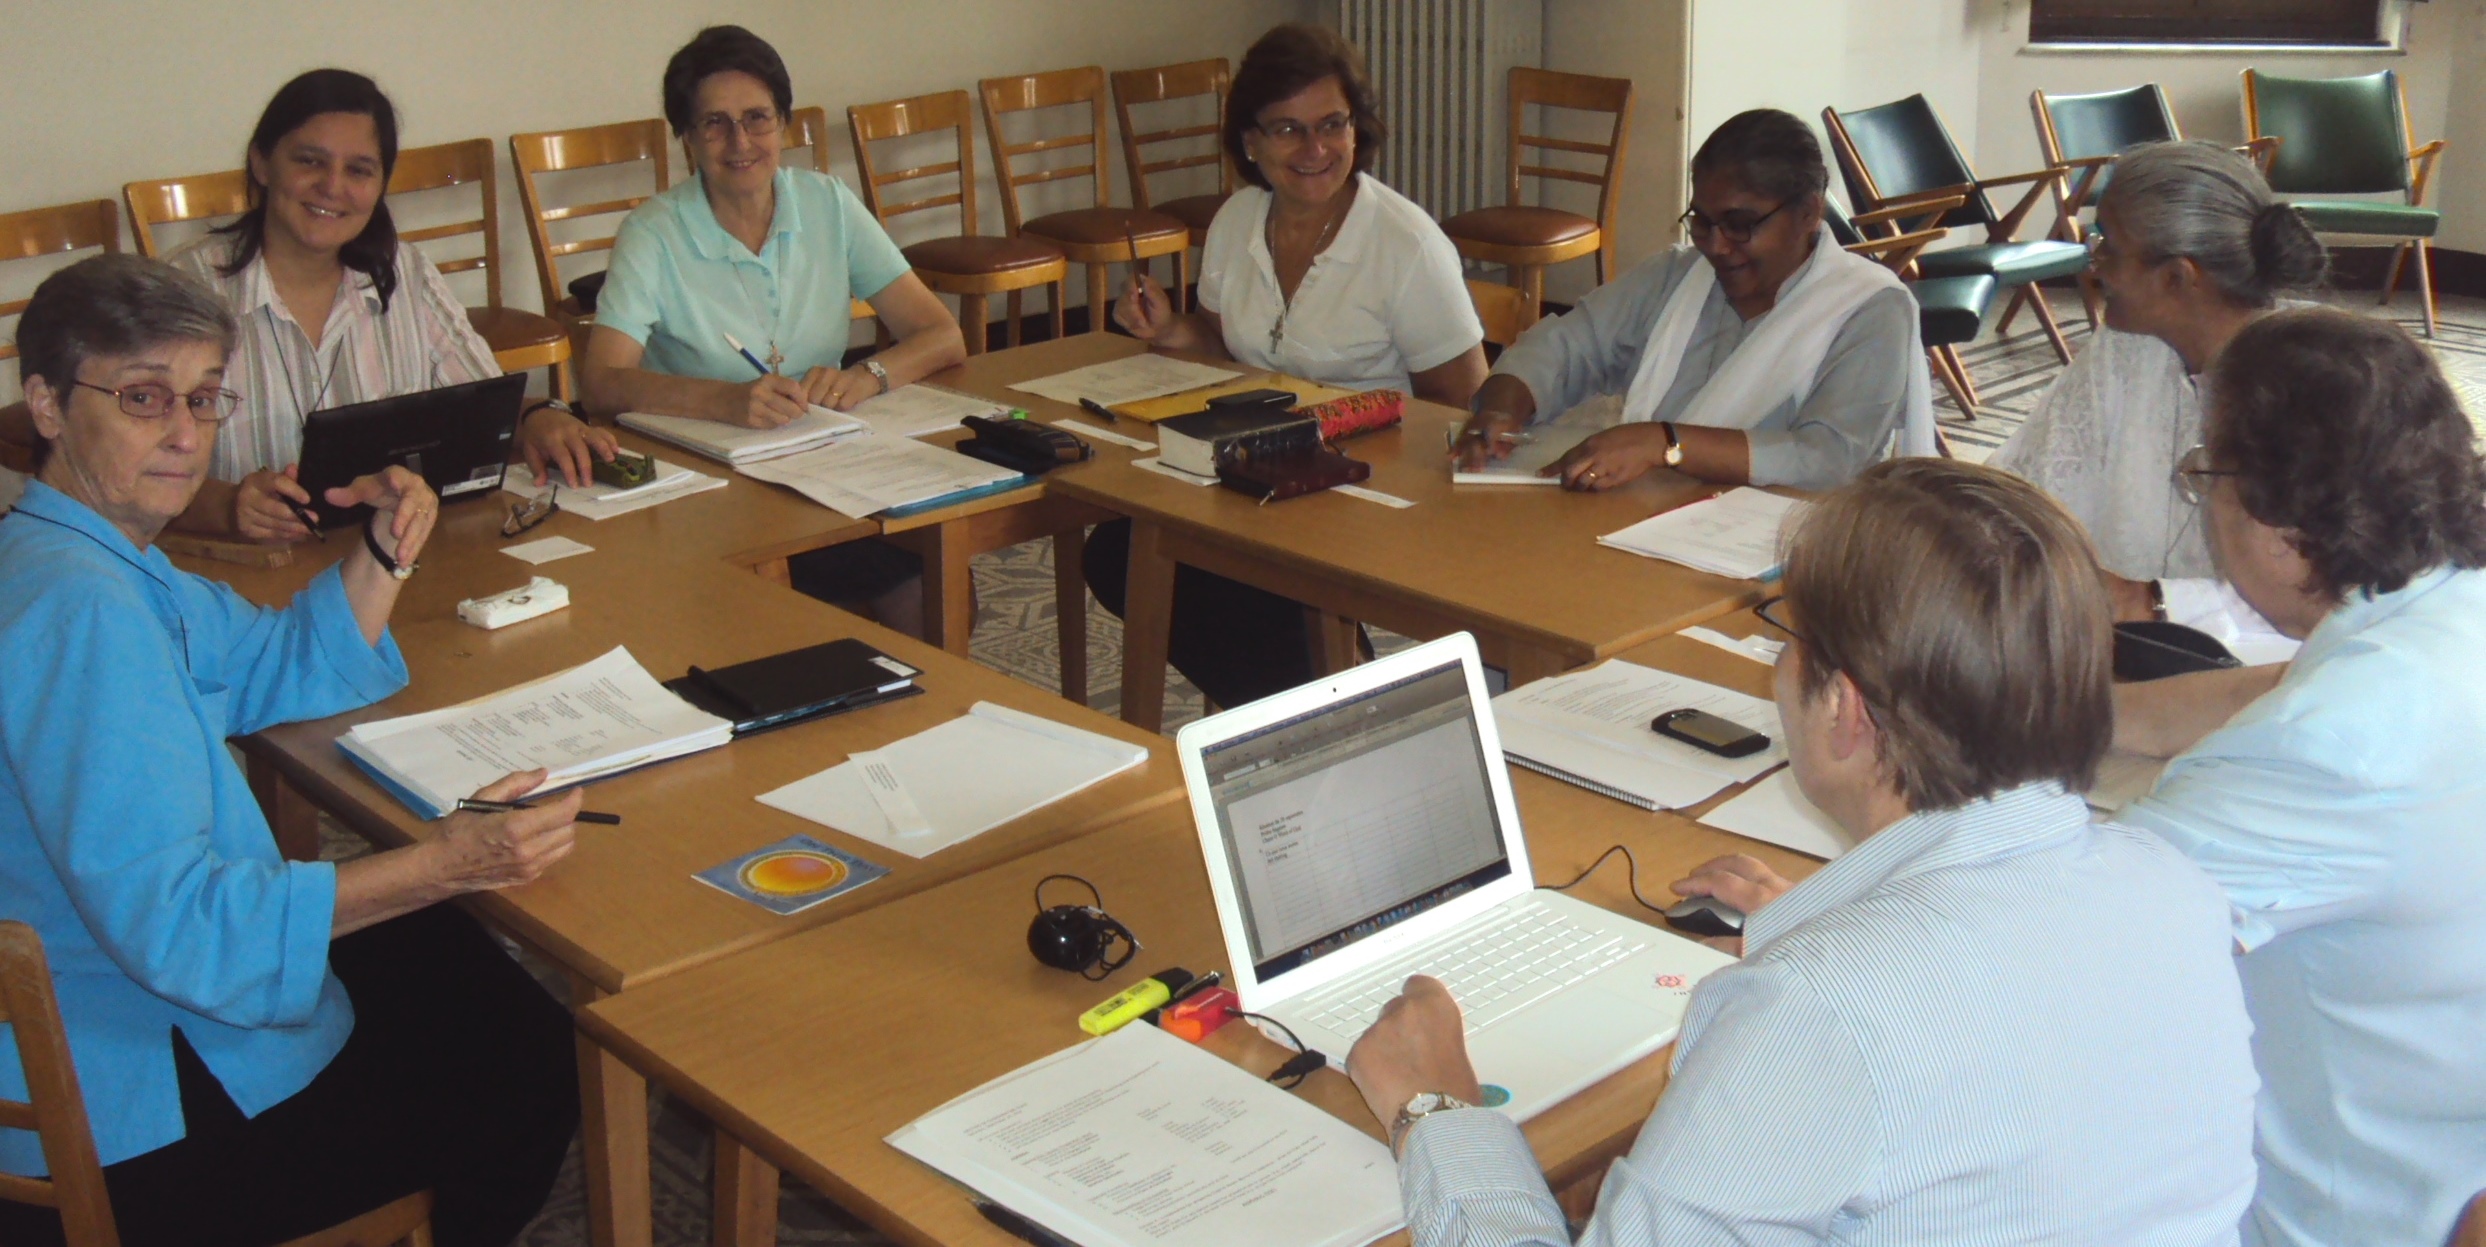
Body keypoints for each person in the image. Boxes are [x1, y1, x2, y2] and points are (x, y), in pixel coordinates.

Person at [1347, 458, 2260, 1244]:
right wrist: (1833, 925)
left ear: (1845, 709)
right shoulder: (2172, 883)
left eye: (1789, 639)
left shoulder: (1818, 1010)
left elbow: (1864, 1024)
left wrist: (1437, 1109)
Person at [0, 255, 580, 1247]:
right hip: (136, 1118)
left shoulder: (83, 551)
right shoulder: (85, 612)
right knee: (526, 1064)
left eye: (204, 398)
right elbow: (183, 930)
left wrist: (384, 549)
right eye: (144, 398)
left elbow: (268, 660)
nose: (186, 435)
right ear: (48, 404)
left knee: (449, 957)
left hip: (106, 1017)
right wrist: (443, 861)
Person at [2113, 308, 2486, 1247]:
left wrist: (1837, 888)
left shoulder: (2330, 750)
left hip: (2329, 1214)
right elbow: (2292, 685)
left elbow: (2068, 937)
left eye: (2208, 476)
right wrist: (2090, 716)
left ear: (2277, 527)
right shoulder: (2439, 617)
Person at [1087, 21, 1487, 710]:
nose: (1315, 150)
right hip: (1258, 473)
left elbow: (1468, 411)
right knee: (1122, 548)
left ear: (1359, 128)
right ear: (1249, 141)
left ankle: (1333, 703)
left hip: (1365, 488)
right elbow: (1222, 345)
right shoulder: (1239, 221)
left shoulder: (1405, 244)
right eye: (1288, 130)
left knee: (1242, 573)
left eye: (1332, 124)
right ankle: (1316, 700)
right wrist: (1170, 328)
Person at [580, 25, 965, 635]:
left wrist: (870, 375)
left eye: (757, 118)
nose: (740, 142)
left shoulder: (827, 203)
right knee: (852, 595)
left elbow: (941, 334)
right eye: (714, 123)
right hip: (708, 484)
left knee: (940, 583)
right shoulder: (653, 232)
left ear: (784, 124)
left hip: (826, 468)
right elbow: (600, 382)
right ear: (686, 138)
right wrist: (726, 400)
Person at [163, 68, 614, 544]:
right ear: (261, 163)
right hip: (242, 575)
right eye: (310, 161)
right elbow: (127, 471)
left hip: (389, 558)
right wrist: (228, 507)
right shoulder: (183, 290)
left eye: (358, 170)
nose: (333, 187)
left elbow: (479, 406)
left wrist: (537, 418)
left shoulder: (404, 273)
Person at [1455, 109, 1934, 493]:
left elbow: (1828, 458)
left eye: (1741, 224)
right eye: (1702, 222)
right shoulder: (1677, 276)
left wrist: (1666, 444)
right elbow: (1567, 346)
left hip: (1786, 555)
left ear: (1808, 212)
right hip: (1645, 526)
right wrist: (1502, 408)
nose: (1718, 245)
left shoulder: (1869, 309)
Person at [1991, 141, 2326, 653]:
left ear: (2178, 278)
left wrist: (2147, 602)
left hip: (2270, 677)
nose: (2093, 262)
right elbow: (2024, 489)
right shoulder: (2124, 349)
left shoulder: (2320, 384)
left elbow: (2328, 602)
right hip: (2111, 648)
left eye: (2109, 246)